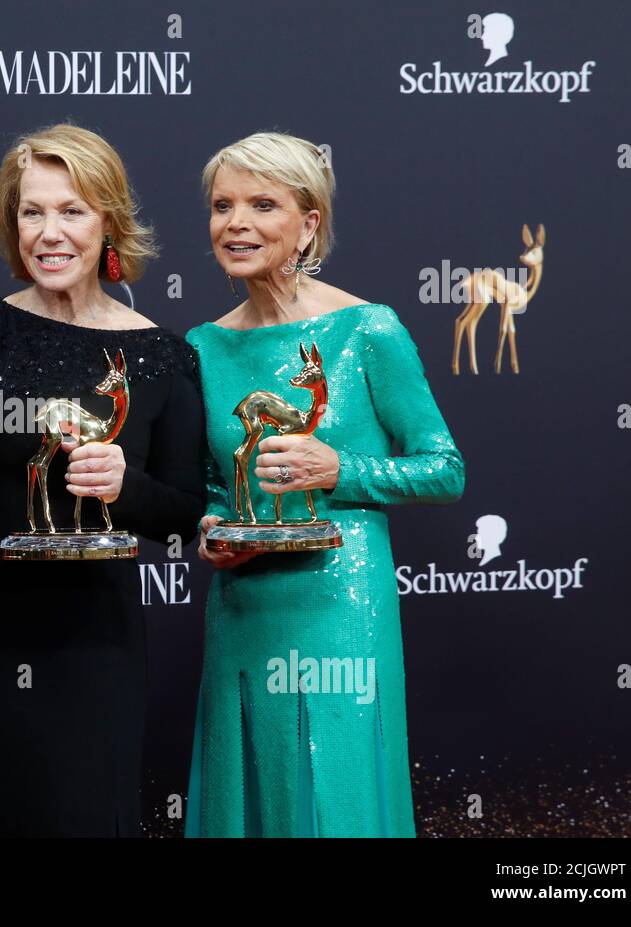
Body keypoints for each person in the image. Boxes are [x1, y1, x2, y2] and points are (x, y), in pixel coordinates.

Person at [0, 124, 206, 836]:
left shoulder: (163, 355)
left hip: (91, 642)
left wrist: (123, 484)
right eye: (31, 211)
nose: (49, 231)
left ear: (109, 221)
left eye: (72, 210)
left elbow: (184, 515)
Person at [186, 131, 465, 837]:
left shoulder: (369, 329)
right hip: (245, 608)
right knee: (252, 785)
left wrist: (340, 470)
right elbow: (211, 488)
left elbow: (444, 467)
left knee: (336, 791)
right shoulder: (200, 347)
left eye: (262, 204)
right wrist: (211, 529)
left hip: (342, 603)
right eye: (223, 205)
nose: (236, 223)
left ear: (309, 223)